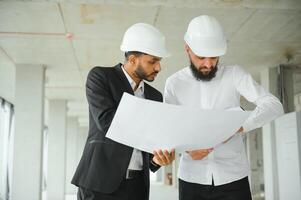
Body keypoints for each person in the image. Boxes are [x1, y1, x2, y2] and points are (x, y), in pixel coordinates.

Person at [164, 15, 284, 200]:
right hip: (191, 180)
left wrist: (239, 126)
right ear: (187, 49)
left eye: (214, 57)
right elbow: (170, 130)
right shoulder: (173, 83)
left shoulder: (235, 75)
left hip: (233, 178)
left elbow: (274, 105)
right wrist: (186, 149)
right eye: (201, 57)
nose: (208, 64)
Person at [72, 23, 175, 200]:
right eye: (152, 61)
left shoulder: (155, 96)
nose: (158, 68)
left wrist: (157, 159)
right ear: (133, 59)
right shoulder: (101, 77)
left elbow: (150, 149)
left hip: (137, 188)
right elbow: (108, 123)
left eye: (159, 61)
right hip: (100, 183)